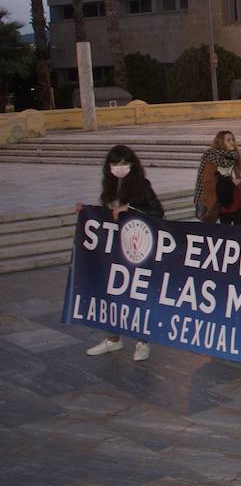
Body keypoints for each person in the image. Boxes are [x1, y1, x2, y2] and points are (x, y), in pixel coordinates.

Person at [83, 146, 163, 362]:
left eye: (124, 163)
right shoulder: (108, 186)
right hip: (113, 249)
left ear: (132, 165)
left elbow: (158, 211)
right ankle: (113, 338)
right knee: (111, 294)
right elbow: (107, 213)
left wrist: (130, 209)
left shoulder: (142, 185)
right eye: (116, 164)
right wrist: (87, 213)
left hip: (136, 248)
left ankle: (142, 342)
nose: (120, 168)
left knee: (136, 294)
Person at [196, 130, 241, 225]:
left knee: (238, 232)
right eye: (228, 140)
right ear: (220, 142)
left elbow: (238, 183)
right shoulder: (212, 158)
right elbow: (207, 182)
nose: (232, 142)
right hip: (221, 203)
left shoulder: (233, 157)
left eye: (233, 139)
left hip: (236, 202)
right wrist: (229, 181)